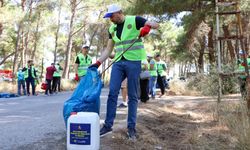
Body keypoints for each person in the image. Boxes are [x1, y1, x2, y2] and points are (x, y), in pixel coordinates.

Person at [88, 4, 159, 140]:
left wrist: (147, 27)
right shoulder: (112, 28)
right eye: (109, 17)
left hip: (134, 62)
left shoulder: (135, 20)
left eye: (112, 16)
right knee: (112, 92)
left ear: (119, 13)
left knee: (132, 95)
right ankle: (108, 126)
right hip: (119, 63)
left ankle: (131, 128)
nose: (110, 19)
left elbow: (156, 25)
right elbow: (108, 50)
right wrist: (97, 63)